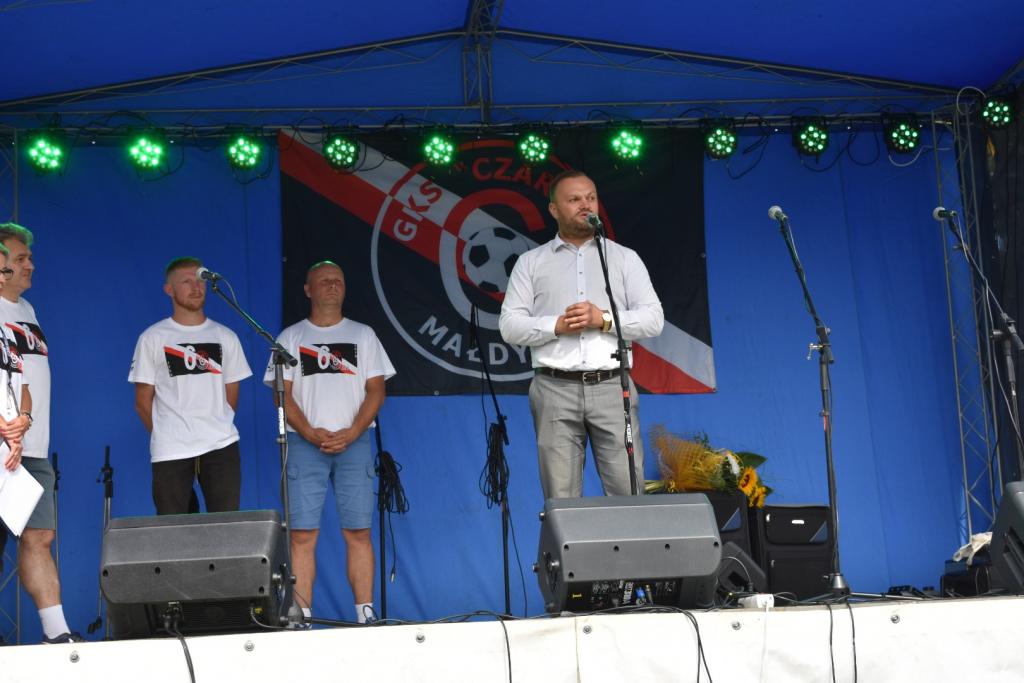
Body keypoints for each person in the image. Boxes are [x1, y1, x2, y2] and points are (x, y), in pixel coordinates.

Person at [499, 170, 664, 500]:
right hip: (554, 387)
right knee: (561, 498)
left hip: (612, 385)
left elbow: (654, 320)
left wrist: (603, 319)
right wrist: (556, 326)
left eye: (591, 197)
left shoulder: (623, 258)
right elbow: (509, 326)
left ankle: (630, 539)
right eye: (574, 199)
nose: (585, 205)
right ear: (553, 209)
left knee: (628, 492)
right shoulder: (531, 262)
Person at [266, 261, 394, 625]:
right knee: (302, 534)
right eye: (324, 281)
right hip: (304, 444)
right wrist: (308, 431)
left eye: (338, 280)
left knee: (359, 531)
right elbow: (281, 394)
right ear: (308, 290)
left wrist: (352, 431)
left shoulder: (363, 335)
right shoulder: (290, 337)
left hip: (354, 444)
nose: (332, 285)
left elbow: (376, 390)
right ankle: (301, 616)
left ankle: (365, 615)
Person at [0, 223, 82, 644]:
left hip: (31, 445)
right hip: (3, 446)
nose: (30, 264)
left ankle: (56, 633)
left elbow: (25, 381)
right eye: (21, 258)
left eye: (29, 257)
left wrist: (25, 421)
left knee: (40, 536)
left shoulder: (27, 311)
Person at [129, 257, 252, 515]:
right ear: (169, 290)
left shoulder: (226, 336)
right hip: (171, 448)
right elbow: (142, 401)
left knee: (226, 526)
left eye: (200, 281)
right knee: (174, 529)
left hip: (221, 444)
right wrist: (167, 432)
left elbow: (231, 396)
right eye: (186, 282)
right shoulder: (152, 338)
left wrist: (214, 424)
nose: (196, 287)